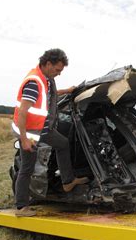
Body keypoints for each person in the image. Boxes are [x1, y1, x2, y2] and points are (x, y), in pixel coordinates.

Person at [12, 48, 88, 217]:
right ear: (47, 64)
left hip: (43, 130)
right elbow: (23, 112)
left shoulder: (46, 79)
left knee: (63, 144)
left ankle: (68, 181)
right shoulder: (34, 82)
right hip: (30, 133)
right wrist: (24, 139)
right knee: (27, 168)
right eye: (57, 69)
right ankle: (21, 207)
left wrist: (66, 91)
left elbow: (50, 95)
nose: (59, 73)